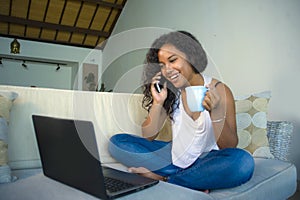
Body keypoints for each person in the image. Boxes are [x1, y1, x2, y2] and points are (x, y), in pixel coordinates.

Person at [108, 30, 254, 191]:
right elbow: (148, 135)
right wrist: (158, 103)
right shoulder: (170, 91)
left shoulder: (219, 90)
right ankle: (194, 179)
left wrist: (216, 113)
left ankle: (164, 179)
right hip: (174, 156)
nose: (167, 70)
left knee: (242, 162)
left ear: (191, 56)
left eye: (172, 60)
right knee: (118, 142)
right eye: (162, 65)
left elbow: (230, 146)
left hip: (207, 159)